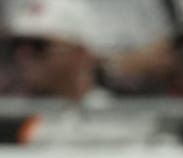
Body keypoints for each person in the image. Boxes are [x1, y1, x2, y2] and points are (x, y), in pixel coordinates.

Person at [0, 0, 169, 146]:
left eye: (38, 45)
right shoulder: (11, 119)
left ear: (81, 53)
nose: (22, 55)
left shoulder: (126, 119)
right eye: (17, 44)